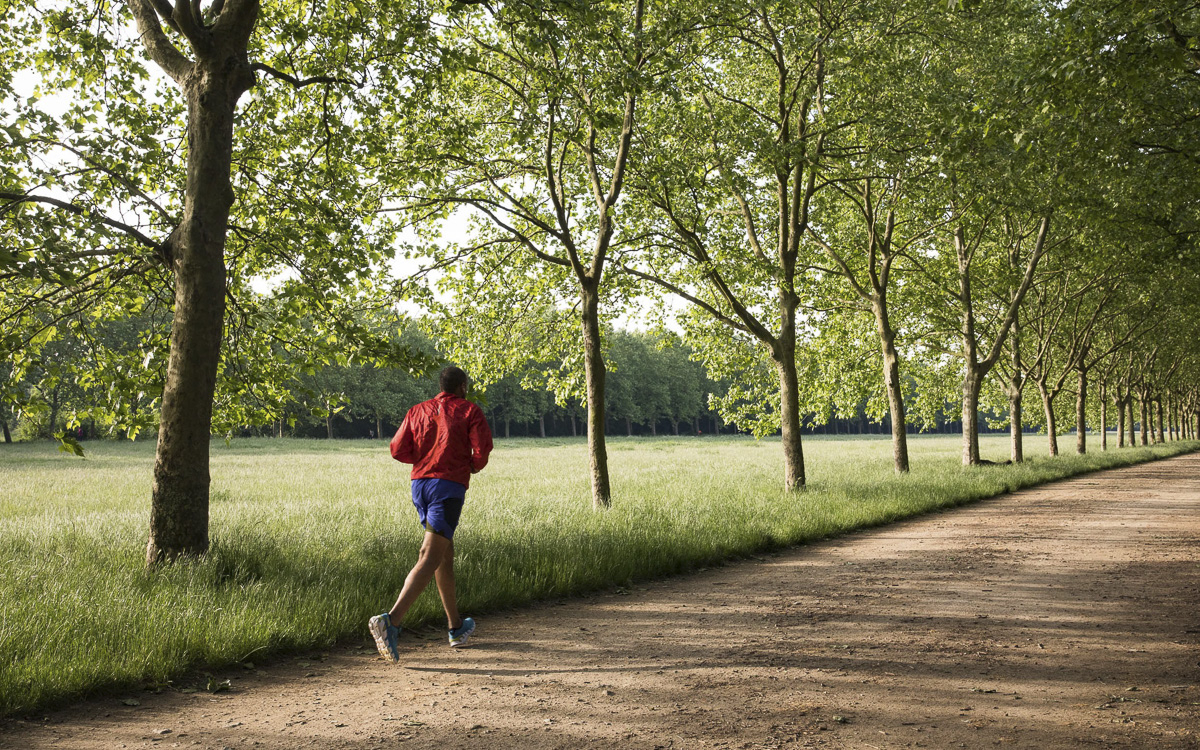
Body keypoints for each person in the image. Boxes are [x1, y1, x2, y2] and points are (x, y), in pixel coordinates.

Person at [369, 366, 494, 663]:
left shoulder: (417, 410)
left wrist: (424, 458)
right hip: (447, 488)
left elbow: (398, 449)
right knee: (430, 554)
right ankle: (391, 621)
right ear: (462, 386)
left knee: (443, 554)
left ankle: (455, 627)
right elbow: (483, 448)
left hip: (420, 486)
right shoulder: (469, 411)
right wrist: (470, 466)